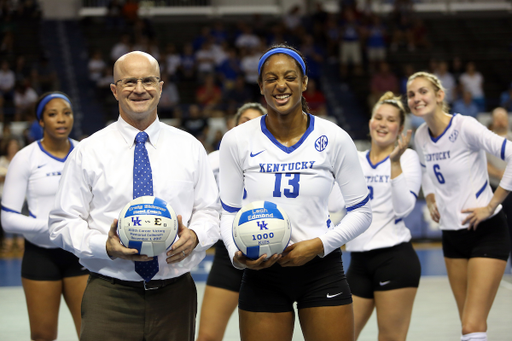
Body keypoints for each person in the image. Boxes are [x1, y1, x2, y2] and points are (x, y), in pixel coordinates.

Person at [48, 51, 220, 340]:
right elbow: (63, 222)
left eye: (148, 81)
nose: (139, 89)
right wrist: (105, 246)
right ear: (114, 90)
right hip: (110, 293)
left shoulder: (189, 147)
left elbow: (210, 211)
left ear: (161, 87)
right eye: (129, 82)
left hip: (175, 293)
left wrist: (197, 236)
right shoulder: (88, 151)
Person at [219, 44, 372, 341]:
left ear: (303, 83)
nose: (281, 85)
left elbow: (362, 212)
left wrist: (318, 245)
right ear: (261, 86)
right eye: (271, 78)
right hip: (261, 270)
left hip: (320, 268)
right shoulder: (236, 140)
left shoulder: (334, 138)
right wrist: (236, 255)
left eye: (289, 77)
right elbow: (228, 212)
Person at [408, 72, 511, 341]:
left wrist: (491, 205)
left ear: (440, 95)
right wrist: (430, 196)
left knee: (471, 325)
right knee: (468, 322)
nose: (417, 98)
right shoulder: (420, 136)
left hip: (486, 232)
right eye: (411, 94)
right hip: (451, 237)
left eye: (423, 91)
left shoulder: (465, 126)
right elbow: (425, 169)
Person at [1, 91, 88, 340]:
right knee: (42, 335)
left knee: (91, 333)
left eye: (66, 113)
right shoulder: (25, 158)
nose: (61, 119)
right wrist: (54, 227)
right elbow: (8, 217)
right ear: (41, 121)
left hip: (79, 254)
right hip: (40, 256)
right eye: (52, 114)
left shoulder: (86, 153)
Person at [344, 91, 422, 341]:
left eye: (390, 120)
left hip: (394, 258)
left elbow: (404, 208)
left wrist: (395, 163)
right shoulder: (354, 159)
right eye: (379, 117)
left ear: (400, 128)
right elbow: (337, 203)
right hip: (358, 262)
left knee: (390, 338)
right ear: (370, 122)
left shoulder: (408, 158)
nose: (383, 124)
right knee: (340, 335)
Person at [197, 102, 267, 341]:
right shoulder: (213, 160)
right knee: (207, 337)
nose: (250, 127)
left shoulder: (276, 162)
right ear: (233, 126)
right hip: (227, 254)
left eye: (257, 122)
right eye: (245, 120)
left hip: (267, 256)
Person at [486, 107, 512, 263]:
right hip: (493, 187)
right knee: (494, 225)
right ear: (493, 120)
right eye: (498, 117)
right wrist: (498, 173)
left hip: (511, 189)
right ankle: (494, 260)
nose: (501, 120)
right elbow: (483, 163)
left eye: (504, 117)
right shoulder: (487, 140)